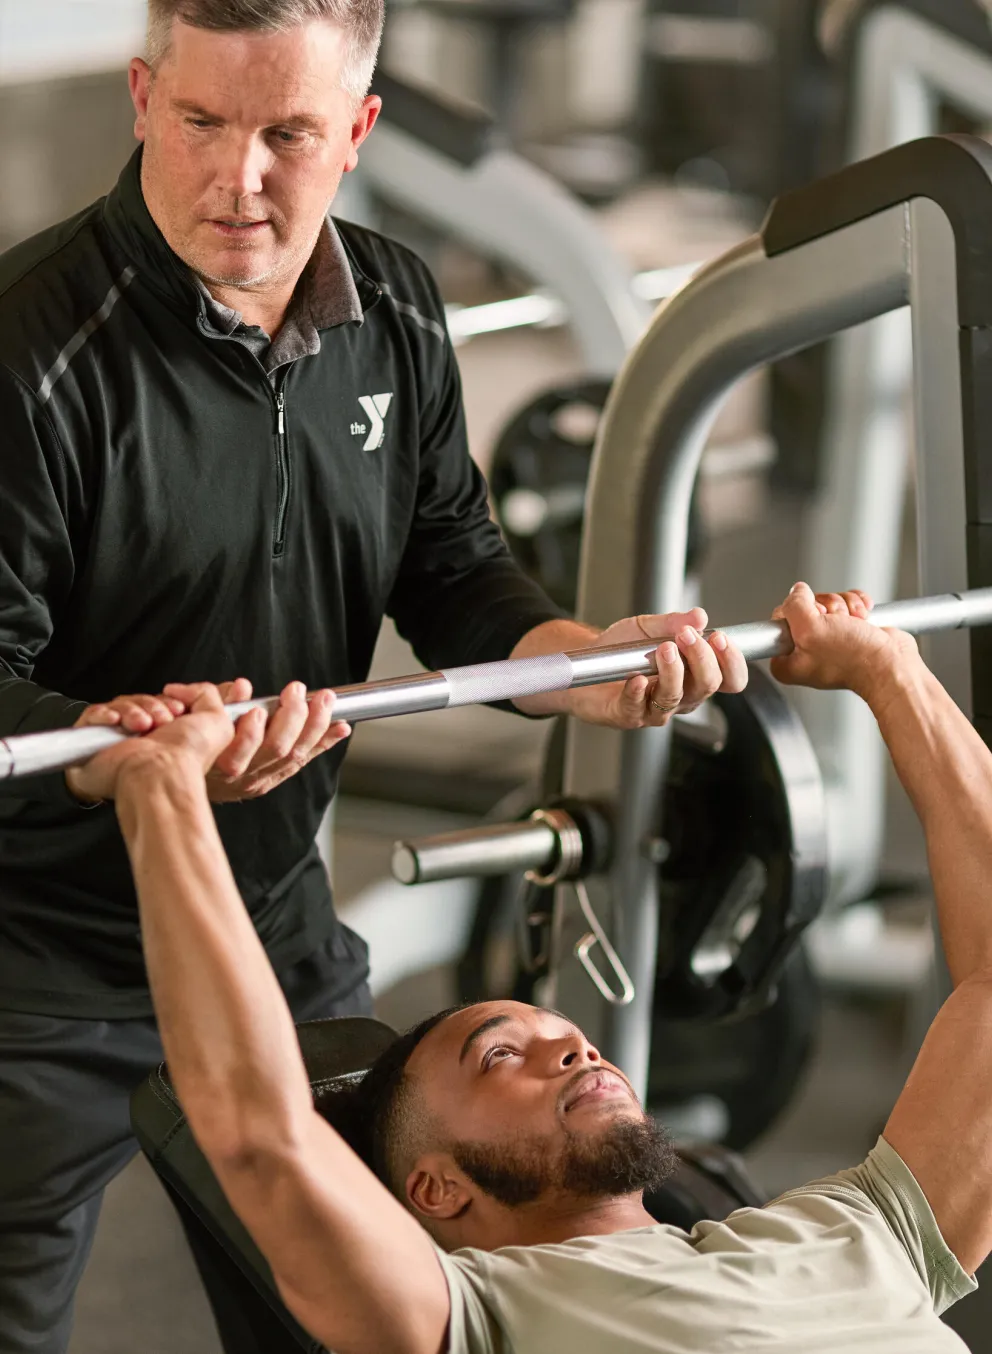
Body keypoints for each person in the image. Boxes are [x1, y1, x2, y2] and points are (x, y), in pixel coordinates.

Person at [0, 2, 748, 1350]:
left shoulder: (396, 309)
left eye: (290, 132)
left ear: (359, 132)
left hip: (277, 932)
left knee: (376, 1308)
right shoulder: (26, 354)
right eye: (203, 122)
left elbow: (453, 565)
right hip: (36, 967)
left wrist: (569, 663)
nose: (242, 179)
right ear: (139, 98)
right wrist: (124, 748)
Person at [75, 578, 990, 1353]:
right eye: (499, 1055)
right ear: (437, 1189)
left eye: (569, 1036)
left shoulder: (863, 1229)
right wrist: (162, 793)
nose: (578, 1051)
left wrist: (891, 671)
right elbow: (257, 1131)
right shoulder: (472, 1316)